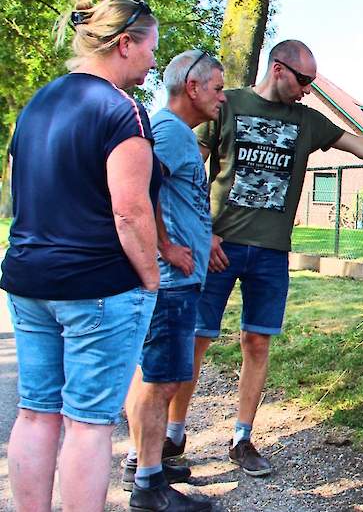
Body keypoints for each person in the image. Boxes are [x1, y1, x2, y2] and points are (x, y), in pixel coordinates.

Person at [166, 39, 363, 476]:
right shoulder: (225, 105)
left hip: (271, 253)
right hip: (218, 247)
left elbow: (362, 146)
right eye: (303, 80)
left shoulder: (306, 120)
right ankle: (174, 432)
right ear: (278, 69)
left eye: (312, 82)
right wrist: (202, 230)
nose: (308, 89)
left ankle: (242, 438)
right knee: (197, 337)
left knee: (257, 341)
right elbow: (193, 172)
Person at [1, 0, 161, 512]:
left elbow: (16, 189)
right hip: (98, 285)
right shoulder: (122, 110)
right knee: (89, 423)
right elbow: (130, 211)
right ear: (124, 44)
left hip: (29, 279)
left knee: (36, 412)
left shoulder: (38, 104)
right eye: (151, 49)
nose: (154, 62)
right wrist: (150, 277)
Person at [121, 50, 226, 512]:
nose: (222, 97)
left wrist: (204, 237)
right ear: (193, 87)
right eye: (218, 88)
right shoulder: (168, 132)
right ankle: (148, 486)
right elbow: (141, 186)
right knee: (160, 381)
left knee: (155, 374)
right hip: (170, 281)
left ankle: (142, 464)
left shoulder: (178, 134)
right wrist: (165, 245)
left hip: (181, 278)